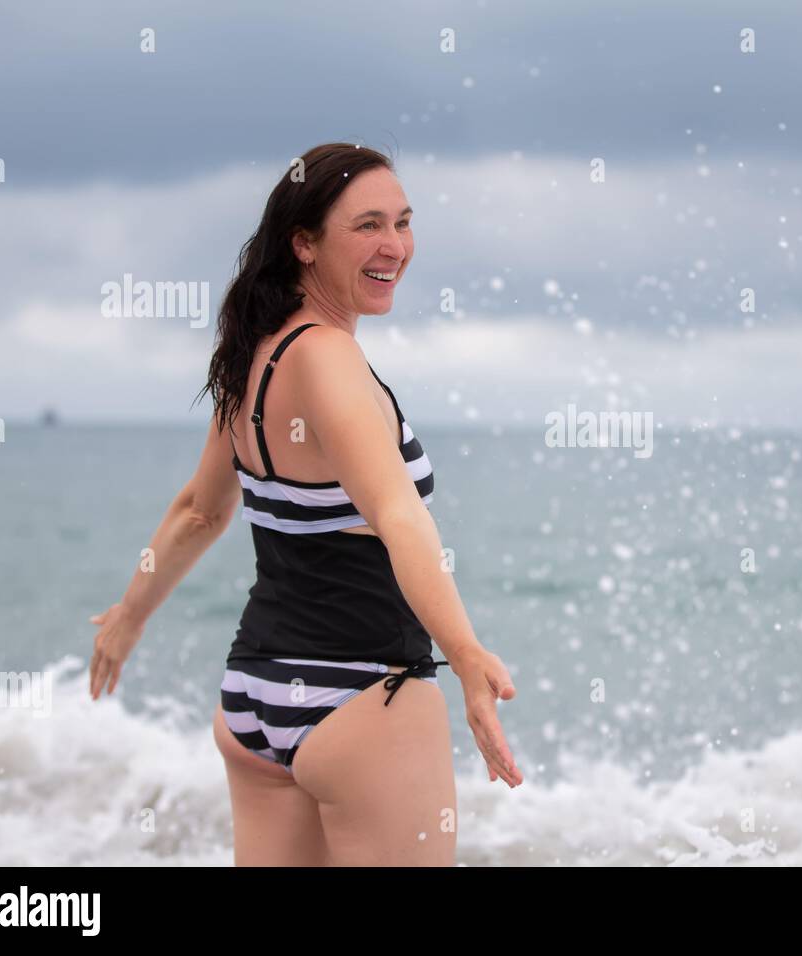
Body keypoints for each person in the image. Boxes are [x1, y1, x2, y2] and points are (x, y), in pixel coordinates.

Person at [86, 142, 522, 866]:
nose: (395, 246)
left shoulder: (252, 357)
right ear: (304, 244)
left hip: (256, 696)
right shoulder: (327, 359)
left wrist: (131, 613)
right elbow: (397, 515)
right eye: (368, 226)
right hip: (360, 697)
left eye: (404, 222)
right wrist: (466, 654)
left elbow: (201, 509)